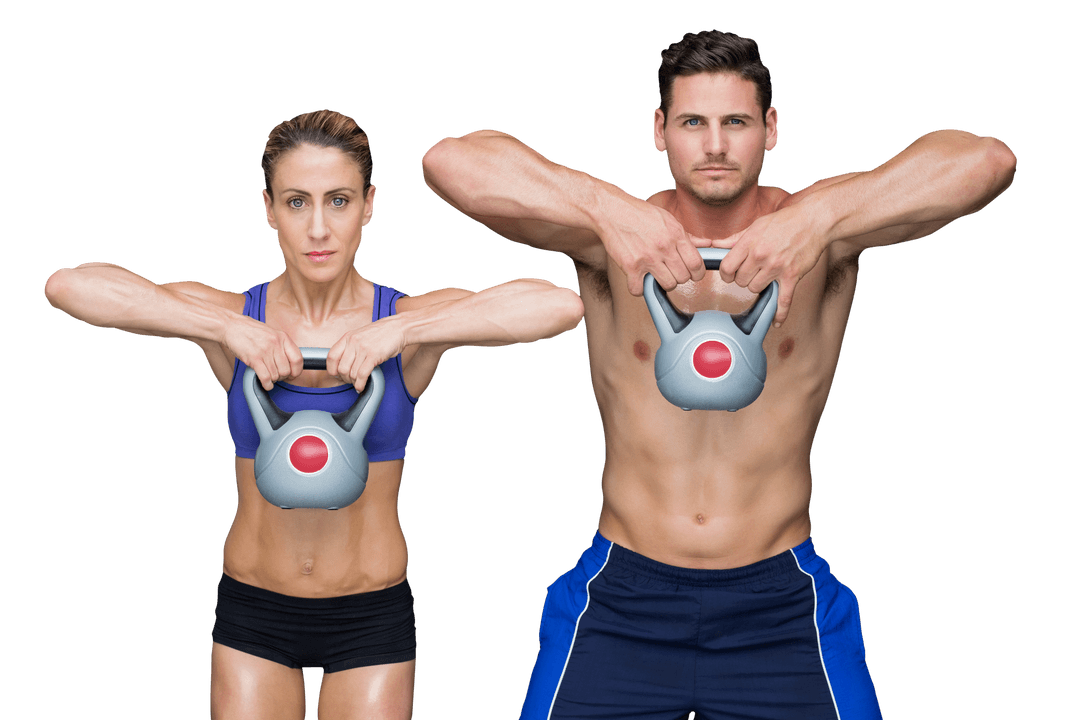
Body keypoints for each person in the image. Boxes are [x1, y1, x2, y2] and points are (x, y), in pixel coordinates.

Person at [422, 29, 1016, 720]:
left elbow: (986, 160)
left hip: (780, 601)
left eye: (735, 122)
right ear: (659, 131)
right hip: (623, 597)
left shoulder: (824, 231)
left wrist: (817, 217)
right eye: (692, 123)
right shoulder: (609, 236)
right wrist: (606, 206)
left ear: (769, 129)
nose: (713, 145)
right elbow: (449, 162)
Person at [43, 108, 584, 720]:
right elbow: (70, 285)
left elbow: (557, 304)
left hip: (370, 614)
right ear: (269, 209)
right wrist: (224, 326)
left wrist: (402, 329)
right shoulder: (234, 318)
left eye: (339, 200)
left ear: (369, 206)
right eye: (297, 202)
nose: (319, 227)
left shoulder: (406, 323)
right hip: (255, 610)